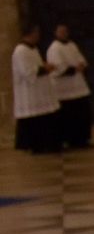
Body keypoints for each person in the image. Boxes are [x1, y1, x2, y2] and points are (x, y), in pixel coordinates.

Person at [11, 23, 60, 154]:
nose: (38, 35)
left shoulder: (33, 49)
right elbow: (27, 72)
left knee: (44, 117)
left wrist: (44, 66)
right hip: (29, 93)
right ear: (30, 33)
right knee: (34, 119)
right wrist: (45, 68)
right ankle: (36, 146)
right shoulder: (20, 50)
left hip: (39, 91)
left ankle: (46, 144)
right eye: (36, 32)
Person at [46, 22, 93, 148]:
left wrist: (81, 65)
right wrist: (74, 68)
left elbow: (81, 60)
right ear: (55, 33)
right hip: (63, 88)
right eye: (60, 31)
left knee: (81, 114)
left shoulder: (72, 45)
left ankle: (82, 139)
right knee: (68, 116)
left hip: (78, 85)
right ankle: (68, 140)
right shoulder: (54, 48)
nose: (63, 33)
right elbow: (58, 67)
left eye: (65, 31)